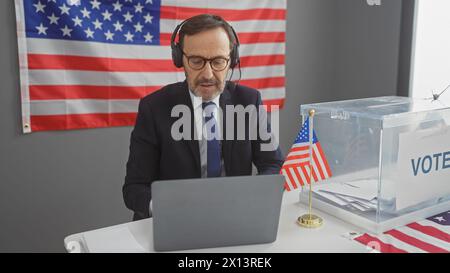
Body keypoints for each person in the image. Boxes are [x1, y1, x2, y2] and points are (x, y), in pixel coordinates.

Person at [123, 14, 284, 221]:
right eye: (196, 61)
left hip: (234, 217)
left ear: (231, 60)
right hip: (176, 220)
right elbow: (134, 188)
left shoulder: (249, 101)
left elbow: (273, 164)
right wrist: (164, 207)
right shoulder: (154, 108)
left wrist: (251, 198)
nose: (208, 74)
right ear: (180, 59)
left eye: (218, 61)